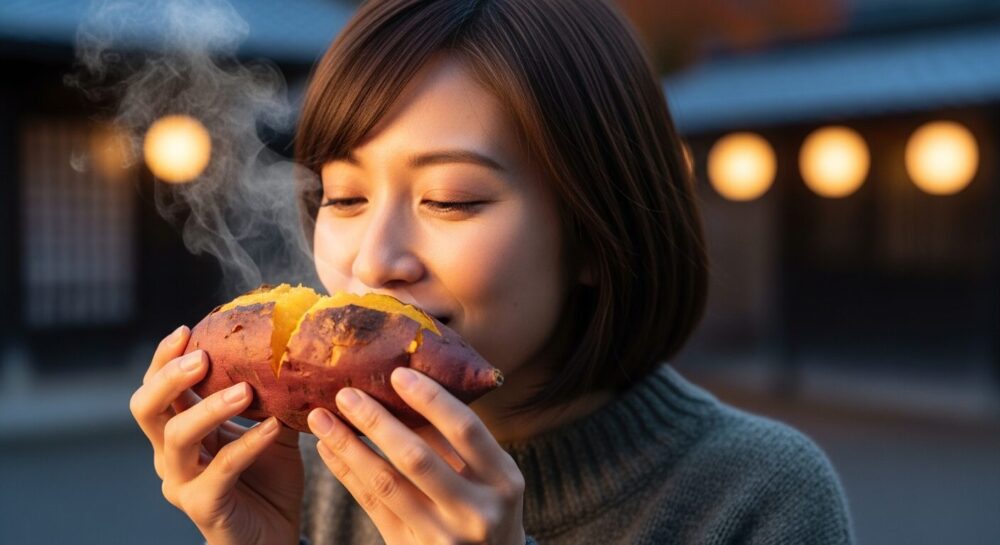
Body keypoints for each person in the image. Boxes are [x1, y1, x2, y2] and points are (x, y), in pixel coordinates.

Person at [130, 0, 854, 543]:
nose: (374, 260)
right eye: (343, 196)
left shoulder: (758, 495)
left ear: (596, 234)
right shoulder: (328, 466)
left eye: (451, 198)